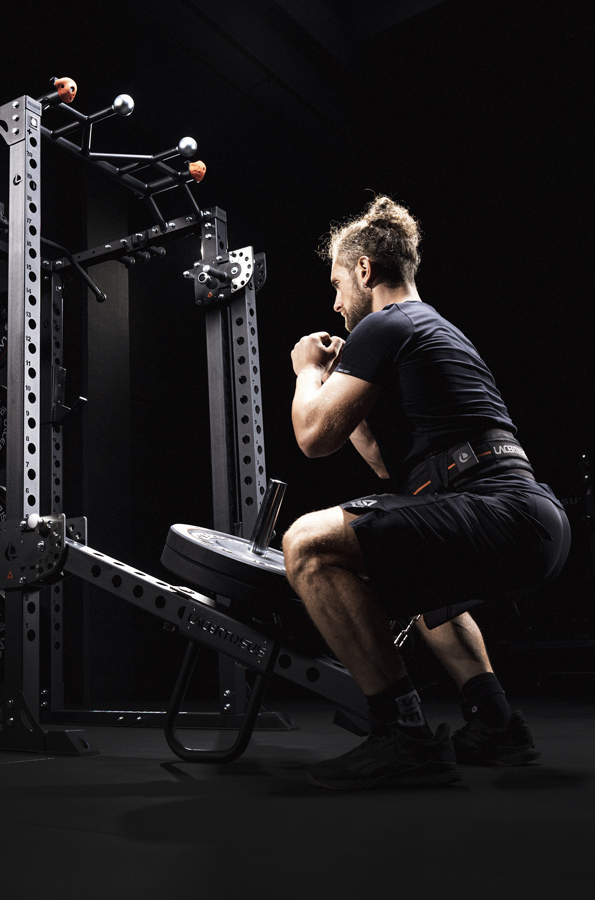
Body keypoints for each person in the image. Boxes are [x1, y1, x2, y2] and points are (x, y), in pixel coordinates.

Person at [282, 195, 570, 791]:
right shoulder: (428, 327)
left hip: (501, 509)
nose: (335, 303)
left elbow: (312, 436)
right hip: (532, 517)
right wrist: (339, 387)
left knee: (306, 543)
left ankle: (402, 735)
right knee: (411, 567)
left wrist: (307, 371)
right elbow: (385, 468)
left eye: (337, 284)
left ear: (365, 270)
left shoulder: (387, 322)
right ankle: (496, 724)